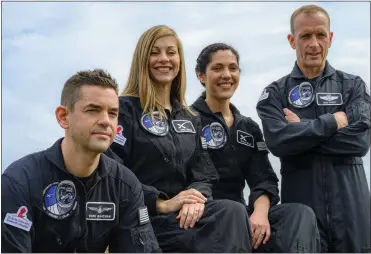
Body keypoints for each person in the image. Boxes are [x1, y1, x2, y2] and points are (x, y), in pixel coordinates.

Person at [106, 25, 252, 252]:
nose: (164, 59)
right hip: (142, 218)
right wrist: (160, 203)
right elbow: (112, 170)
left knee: (233, 211)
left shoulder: (190, 118)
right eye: (155, 52)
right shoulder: (123, 109)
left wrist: (194, 200)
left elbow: (203, 175)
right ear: (142, 59)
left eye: (171, 52)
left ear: (180, 61)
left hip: (183, 219)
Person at [1, 69, 160, 253]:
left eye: (113, 113)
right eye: (93, 110)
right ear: (63, 117)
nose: (106, 121)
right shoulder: (19, 181)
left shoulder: (126, 185)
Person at [256, 5, 371, 252]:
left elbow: (360, 142)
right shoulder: (275, 94)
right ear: (291, 40)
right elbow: (278, 142)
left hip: (353, 211)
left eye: (320, 35)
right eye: (305, 36)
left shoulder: (353, 86)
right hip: (302, 214)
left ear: (330, 38)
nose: (314, 43)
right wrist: (331, 123)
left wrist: (302, 129)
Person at [191, 42, 321, 253]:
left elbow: (263, 179)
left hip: (241, 213)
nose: (227, 74)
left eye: (233, 68)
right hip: (203, 215)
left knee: (299, 214)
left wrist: (259, 215)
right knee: (231, 213)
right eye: (217, 68)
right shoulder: (187, 121)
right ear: (201, 76)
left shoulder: (248, 127)